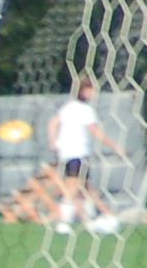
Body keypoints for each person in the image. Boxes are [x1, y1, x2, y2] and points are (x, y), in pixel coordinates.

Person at [48, 77, 124, 231]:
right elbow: (96, 132)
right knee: (73, 187)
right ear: (83, 91)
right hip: (77, 152)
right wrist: (116, 147)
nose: (94, 93)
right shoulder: (85, 110)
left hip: (67, 152)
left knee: (84, 188)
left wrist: (53, 141)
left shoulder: (69, 106)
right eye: (92, 90)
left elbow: (53, 122)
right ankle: (63, 222)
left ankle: (89, 220)